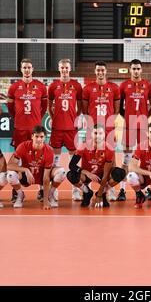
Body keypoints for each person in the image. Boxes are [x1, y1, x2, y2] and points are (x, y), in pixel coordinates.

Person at [7, 58, 48, 201]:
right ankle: (16, 191)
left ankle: (42, 189)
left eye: (29, 67)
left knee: (40, 159)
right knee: (17, 159)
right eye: (24, 67)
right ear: (21, 69)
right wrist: (19, 118)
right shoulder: (14, 87)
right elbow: (11, 108)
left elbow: (44, 107)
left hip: (35, 129)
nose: (27, 70)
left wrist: (36, 120)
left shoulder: (41, 87)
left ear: (32, 69)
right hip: (20, 129)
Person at [82, 61, 121, 200]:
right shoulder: (87, 88)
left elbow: (116, 110)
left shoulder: (114, 88)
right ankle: (88, 188)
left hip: (109, 128)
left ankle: (109, 189)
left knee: (112, 160)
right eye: (98, 70)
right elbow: (85, 110)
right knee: (88, 158)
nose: (100, 73)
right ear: (95, 71)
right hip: (93, 129)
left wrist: (108, 123)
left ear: (106, 71)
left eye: (102, 70)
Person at [118, 59, 151, 202]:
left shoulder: (147, 85)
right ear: (130, 70)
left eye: (138, 68)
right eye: (133, 68)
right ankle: (122, 189)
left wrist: (145, 116)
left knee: (144, 159)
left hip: (143, 126)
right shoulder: (124, 85)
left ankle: (147, 189)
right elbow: (120, 106)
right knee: (127, 158)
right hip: (129, 125)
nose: (136, 71)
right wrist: (127, 117)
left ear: (141, 70)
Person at [47, 58, 83, 202]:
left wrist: (76, 116)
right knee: (55, 162)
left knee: (73, 162)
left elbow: (80, 105)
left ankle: (75, 190)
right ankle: (53, 191)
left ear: (70, 68)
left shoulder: (76, 85)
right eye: (62, 67)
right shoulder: (53, 85)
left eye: (66, 67)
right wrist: (54, 118)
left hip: (71, 129)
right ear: (59, 68)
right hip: (57, 129)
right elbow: (49, 105)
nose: (64, 70)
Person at [6, 126, 66, 209]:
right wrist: (25, 170)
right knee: (10, 175)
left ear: (45, 137)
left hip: (42, 175)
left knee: (61, 172)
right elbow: (9, 165)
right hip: (26, 176)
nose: (39, 139)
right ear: (32, 136)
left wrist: (45, 200)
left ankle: (50, 195)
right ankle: (20, 196)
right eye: (36, 136)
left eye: (41, 137)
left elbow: (46, 177)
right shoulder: (23, 146)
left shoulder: (49, 150)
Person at [66, 125, 125, 208]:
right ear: (91, 134)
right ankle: (87, 192)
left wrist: (100, 195)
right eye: (95, 133)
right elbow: (71, 165)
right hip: (87, 175)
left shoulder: (109, 148)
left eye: (100, 133)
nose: (98, 136)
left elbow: (105, 175)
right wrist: (87, 173)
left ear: (104, 135)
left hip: (102, 175)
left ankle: (103, 192)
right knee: (71, 175)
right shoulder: (83, 145)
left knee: (120, 173)